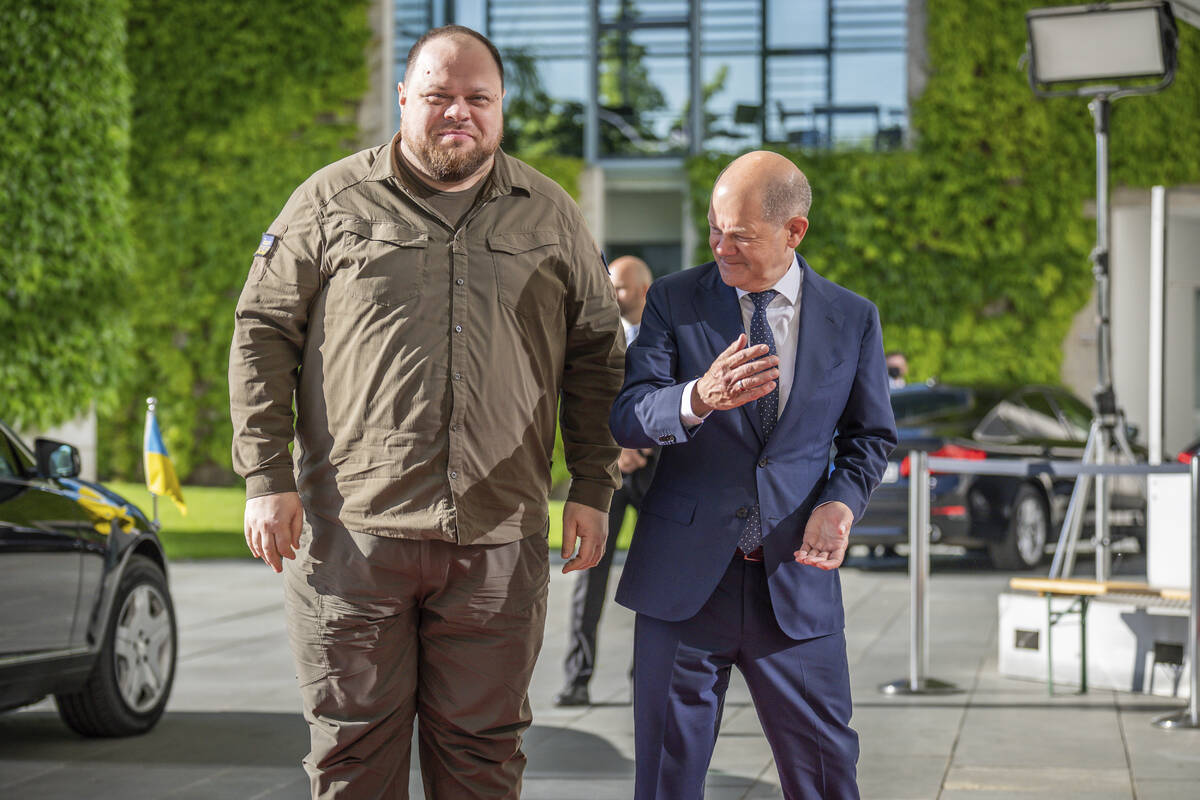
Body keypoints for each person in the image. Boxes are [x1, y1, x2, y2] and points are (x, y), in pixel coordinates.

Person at [228, 25, 624, 799]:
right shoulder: (328, 200)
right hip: (351, 538)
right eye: (439, 96)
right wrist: (263, 476)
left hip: (498, 542)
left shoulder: (551, 215)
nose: (459, 113)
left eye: (478, 99)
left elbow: (598, 356)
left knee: (483, 760)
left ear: (502, 107)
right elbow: (263, 332)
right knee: (351, 759)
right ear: (405, 99)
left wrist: (593, 485)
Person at [610, 151, 897, 799]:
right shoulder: (674, 301)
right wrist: (697, 398)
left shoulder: (852, 318)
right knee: (664, 783)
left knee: (826, 778)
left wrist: (841, 504)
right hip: (682, 587)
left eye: (738, 234)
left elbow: (870, 437)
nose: (720, 246)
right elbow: (629, 417)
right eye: (714, 228)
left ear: (793, 231)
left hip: (795, 586)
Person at [556, 256, 658, 707]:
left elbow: (677, 394)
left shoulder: (666, 335)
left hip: (657, 469)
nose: (611, 295)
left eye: (618, 288)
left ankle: (646, 683)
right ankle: (577, 679)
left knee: (655, 577)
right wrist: (617, 449)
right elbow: (585, 398)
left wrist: (648, 445)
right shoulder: (598, 335)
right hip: (609, 468)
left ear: (642, 291)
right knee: (590, 574)